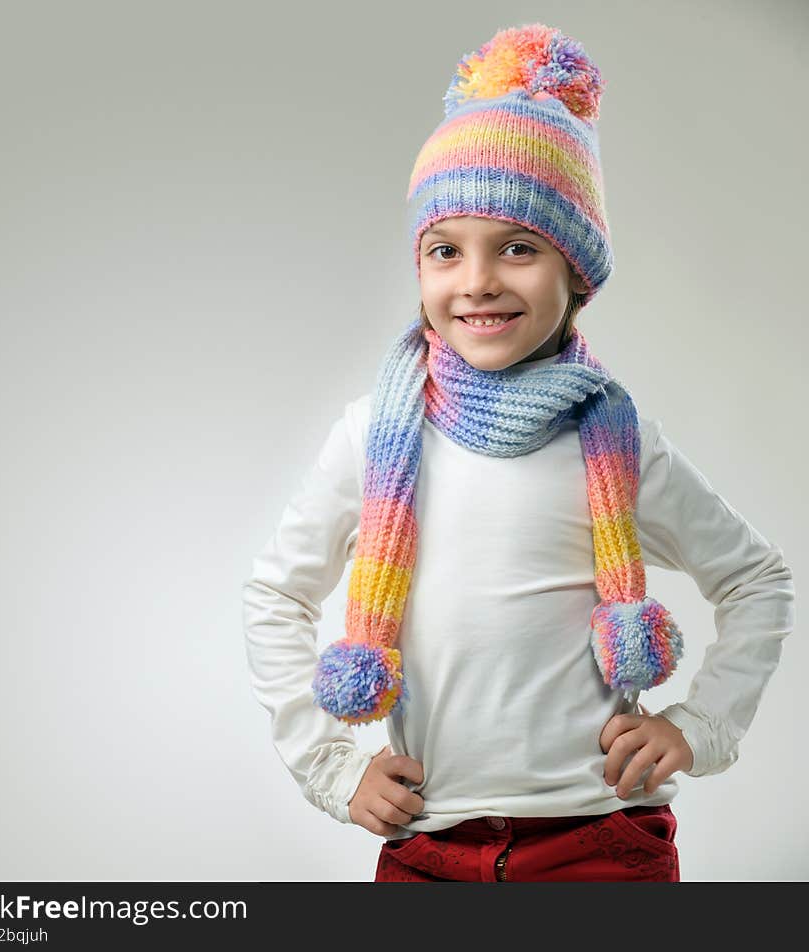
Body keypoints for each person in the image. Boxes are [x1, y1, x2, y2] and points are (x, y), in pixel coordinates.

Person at [242, 23, 795, 882]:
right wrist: (332, 768)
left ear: (576, 271)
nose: (478, 281)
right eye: (445, 251)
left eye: (519, 247)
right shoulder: (372, 438)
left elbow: (756, 580)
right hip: (431, 842)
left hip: (601, 839)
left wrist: (699, 725)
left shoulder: (613, 440)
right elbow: (277, 594)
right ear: (419, 266)